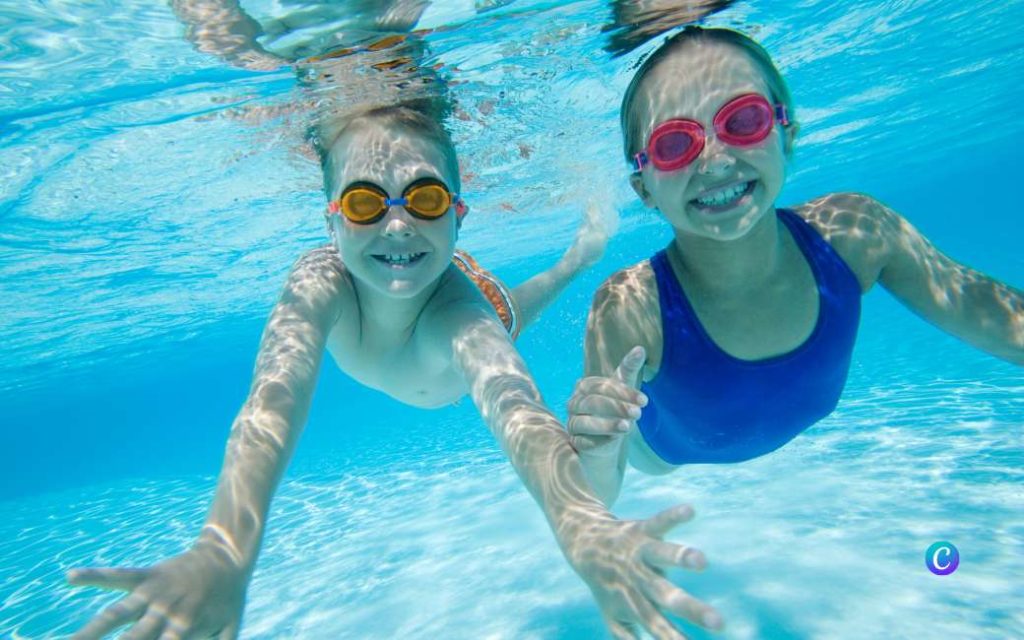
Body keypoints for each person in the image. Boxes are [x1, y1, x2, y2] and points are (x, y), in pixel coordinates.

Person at [65, 91, 730, 639]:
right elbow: (271, 401)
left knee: (513, 310)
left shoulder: (464, 319)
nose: (398, 224)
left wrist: (578, 523)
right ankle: (576, 255)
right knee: (511, 311)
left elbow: (518, 410)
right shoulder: (318, 280)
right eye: (363, 202)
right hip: (443, 312)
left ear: (458, 215)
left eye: (428, 199)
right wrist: (224, 548)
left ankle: (578, 255)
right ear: (332, 222)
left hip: (467, 301)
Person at [567, 25, 1024, 507]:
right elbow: (596, 494)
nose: (717, 162)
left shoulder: (856, 232)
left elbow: (980, 306)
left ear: (787, 136)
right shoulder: (629, 307)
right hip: (663, 454)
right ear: (645, 190)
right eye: (675, 144)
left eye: (743, 121)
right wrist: (596, 452)